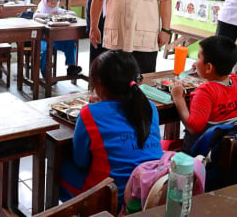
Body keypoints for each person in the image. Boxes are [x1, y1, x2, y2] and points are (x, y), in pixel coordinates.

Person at [60, 50, 162, 209]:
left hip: (110, 198)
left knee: (60, 169)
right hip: (147, 192)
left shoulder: (90, 113)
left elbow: (80, 161)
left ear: (99, 85)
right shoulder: (149, 108)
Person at [170, 36, 237, 154]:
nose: (195, 63)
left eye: (199, 57)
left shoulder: (205, 92)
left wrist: (178, 98)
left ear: (209, 67)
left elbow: (194, 128)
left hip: (199, 153)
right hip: (223, 150)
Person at [35, 0, 82, 77]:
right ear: (45, 0)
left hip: (56, 39)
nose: (53, 1)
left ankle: (71, 66)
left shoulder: (58, 10)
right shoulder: (41, 10)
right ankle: (46, 75)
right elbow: (35, 16)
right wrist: (48, 15)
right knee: (45, 51)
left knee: (71, 43)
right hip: (43, 39)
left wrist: (63, 15)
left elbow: (73, 14)